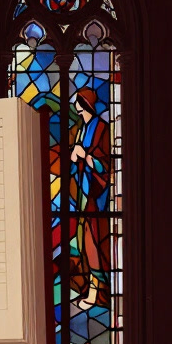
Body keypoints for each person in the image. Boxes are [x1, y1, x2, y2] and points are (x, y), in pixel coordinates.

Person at [64, 87, 111, 309]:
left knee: (94, 243)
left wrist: (87, 157)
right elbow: (78, 156)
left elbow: (105, 165)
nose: (75, 105)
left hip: (96, 196)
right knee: (83, 242)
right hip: (82, 193)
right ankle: (88, 289)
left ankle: (97, 294)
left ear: (85, 103)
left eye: (77, 101)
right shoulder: (82, 128)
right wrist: (76, 155)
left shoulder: (102, 128)